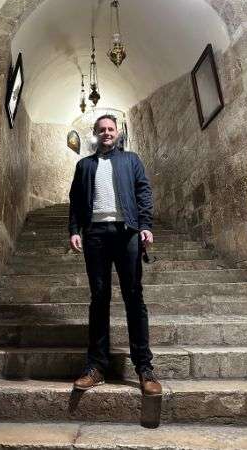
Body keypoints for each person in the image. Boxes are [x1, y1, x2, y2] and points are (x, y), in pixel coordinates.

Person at [68, 114, 161, 396]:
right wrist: (74, 229)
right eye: (101, 129)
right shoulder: (84, 165)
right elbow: (75, 200)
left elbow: (143, 192)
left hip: (127, 232)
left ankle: (144, 368)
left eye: (111, 129)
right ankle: (96, 367)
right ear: (95, 134)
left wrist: (145, 225)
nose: (106, 133)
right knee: (99, 298)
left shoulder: (131, 160)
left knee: (134, 297)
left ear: (117, 132)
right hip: (95, 234)